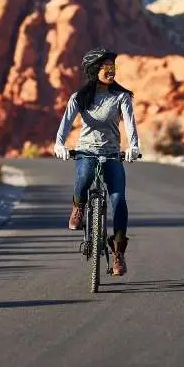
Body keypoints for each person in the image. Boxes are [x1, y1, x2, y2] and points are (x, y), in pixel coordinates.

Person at [54, 47, 141, 276]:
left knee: (119, 200)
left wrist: (133, 146)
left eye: (112, 65)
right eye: (105, 66)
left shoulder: (121, 96)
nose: (110, 69)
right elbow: (65, 124)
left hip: (112, 153)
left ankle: (118, 253)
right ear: (94, 70)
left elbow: (130, 124)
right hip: (86, 151)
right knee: (84, 176)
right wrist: (59, 144)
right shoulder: (80, 97)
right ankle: (79, 206)